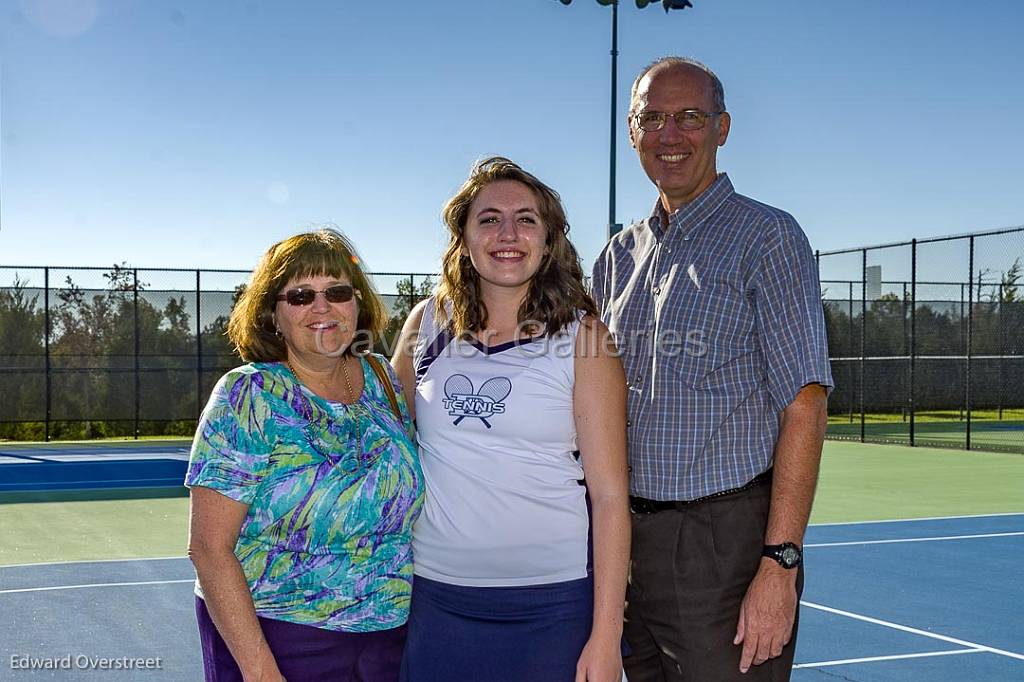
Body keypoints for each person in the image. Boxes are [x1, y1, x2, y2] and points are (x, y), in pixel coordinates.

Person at [591, 57, 833, 681]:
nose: (669, 135)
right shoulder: (618, 255)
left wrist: (780, 563)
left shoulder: (767, 237)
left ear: (722, 128)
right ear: (631, 131)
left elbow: (804, 402)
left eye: (689, 117)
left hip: (723, 546)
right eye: (652, 118)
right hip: (625, 544)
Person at [392, 157, 630, 682]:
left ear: (548, 241)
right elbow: (386, 449)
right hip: (436, 601)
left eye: (525, 219)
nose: (507, 234)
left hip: (553, 606)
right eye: (488, 218)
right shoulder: (426, 322)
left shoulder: (584, 338)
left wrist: (607, 635)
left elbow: (610, 496)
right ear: (463, 236)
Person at [185, 228, 423, 682]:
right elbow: (209, 549)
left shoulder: (381, 379)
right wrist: (260, 671)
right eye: (299, 295)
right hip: (280, 641)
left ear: (358, 304)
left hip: (388, 640)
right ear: (272, 313)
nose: (322, 307)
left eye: (337, 292)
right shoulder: (249, 394)